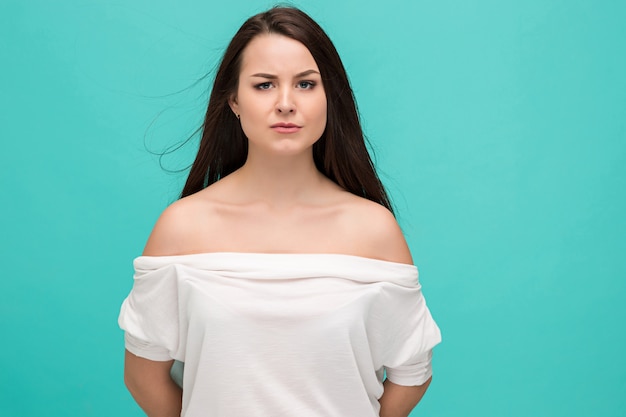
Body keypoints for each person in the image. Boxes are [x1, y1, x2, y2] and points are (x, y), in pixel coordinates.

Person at [118, 6, 441, 417]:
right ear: (234, 100)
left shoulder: (374, 230)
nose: (286, 103)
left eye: (306, 84)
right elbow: (142, 376)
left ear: (330, 97)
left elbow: (412, 373)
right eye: (265, 85)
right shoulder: (182, 227)